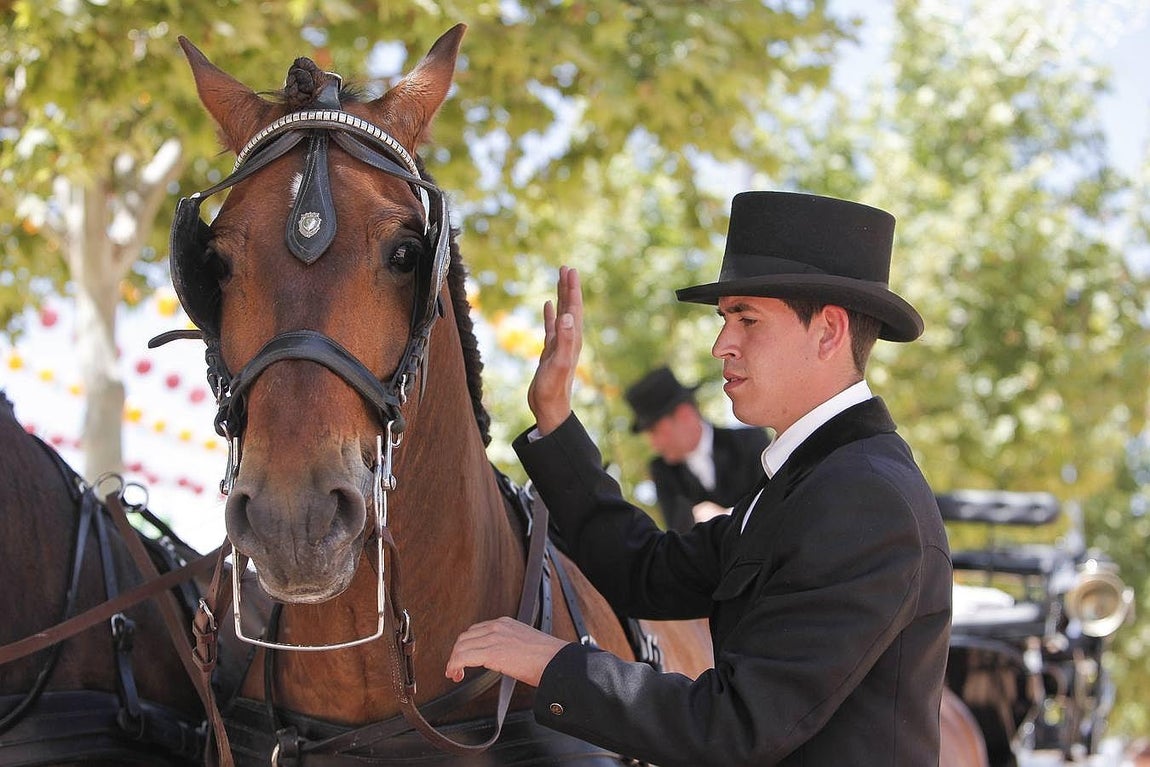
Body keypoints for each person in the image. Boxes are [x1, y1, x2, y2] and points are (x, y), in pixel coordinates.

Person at [446, 191, 953, 765]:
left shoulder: (865, 498)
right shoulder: (811, 481)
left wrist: (551, 662)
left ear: (830, 332)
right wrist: (556, 419)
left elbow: (735, 727)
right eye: (724, 319)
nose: (721, 345)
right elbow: (645, 570)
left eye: (747, 319)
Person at [625, 365, 771, 531]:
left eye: (655, 431)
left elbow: (776, 504)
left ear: (684, 415)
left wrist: (727, 516)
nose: (653, 444)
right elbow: (678, 536)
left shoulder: (749, 443)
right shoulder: (663, 471)